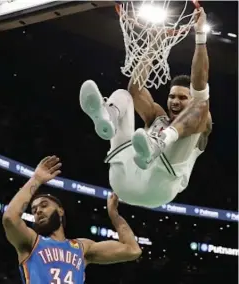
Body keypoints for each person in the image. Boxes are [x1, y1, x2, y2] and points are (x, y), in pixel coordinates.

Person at [79, 8, 212, 208]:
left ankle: (161, 143)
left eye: (182, 98)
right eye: (172, 96)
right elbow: (136, 89)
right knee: (124, 95)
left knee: (201, 107)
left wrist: (200, 35)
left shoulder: (203, 124)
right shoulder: (157, 116)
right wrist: (155, 44)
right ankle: (107, 119)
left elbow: (200, 86)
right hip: (123, 178)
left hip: (159, 185)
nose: (175, 101)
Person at [2, 156, 141, 283]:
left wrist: (114, 215)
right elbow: (10, 218)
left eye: (44, 205)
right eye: (33, 210)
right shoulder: (31, 241)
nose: (38, 211)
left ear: (60, 211)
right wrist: (36, 180)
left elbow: (132, 250)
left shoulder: (82, 248)